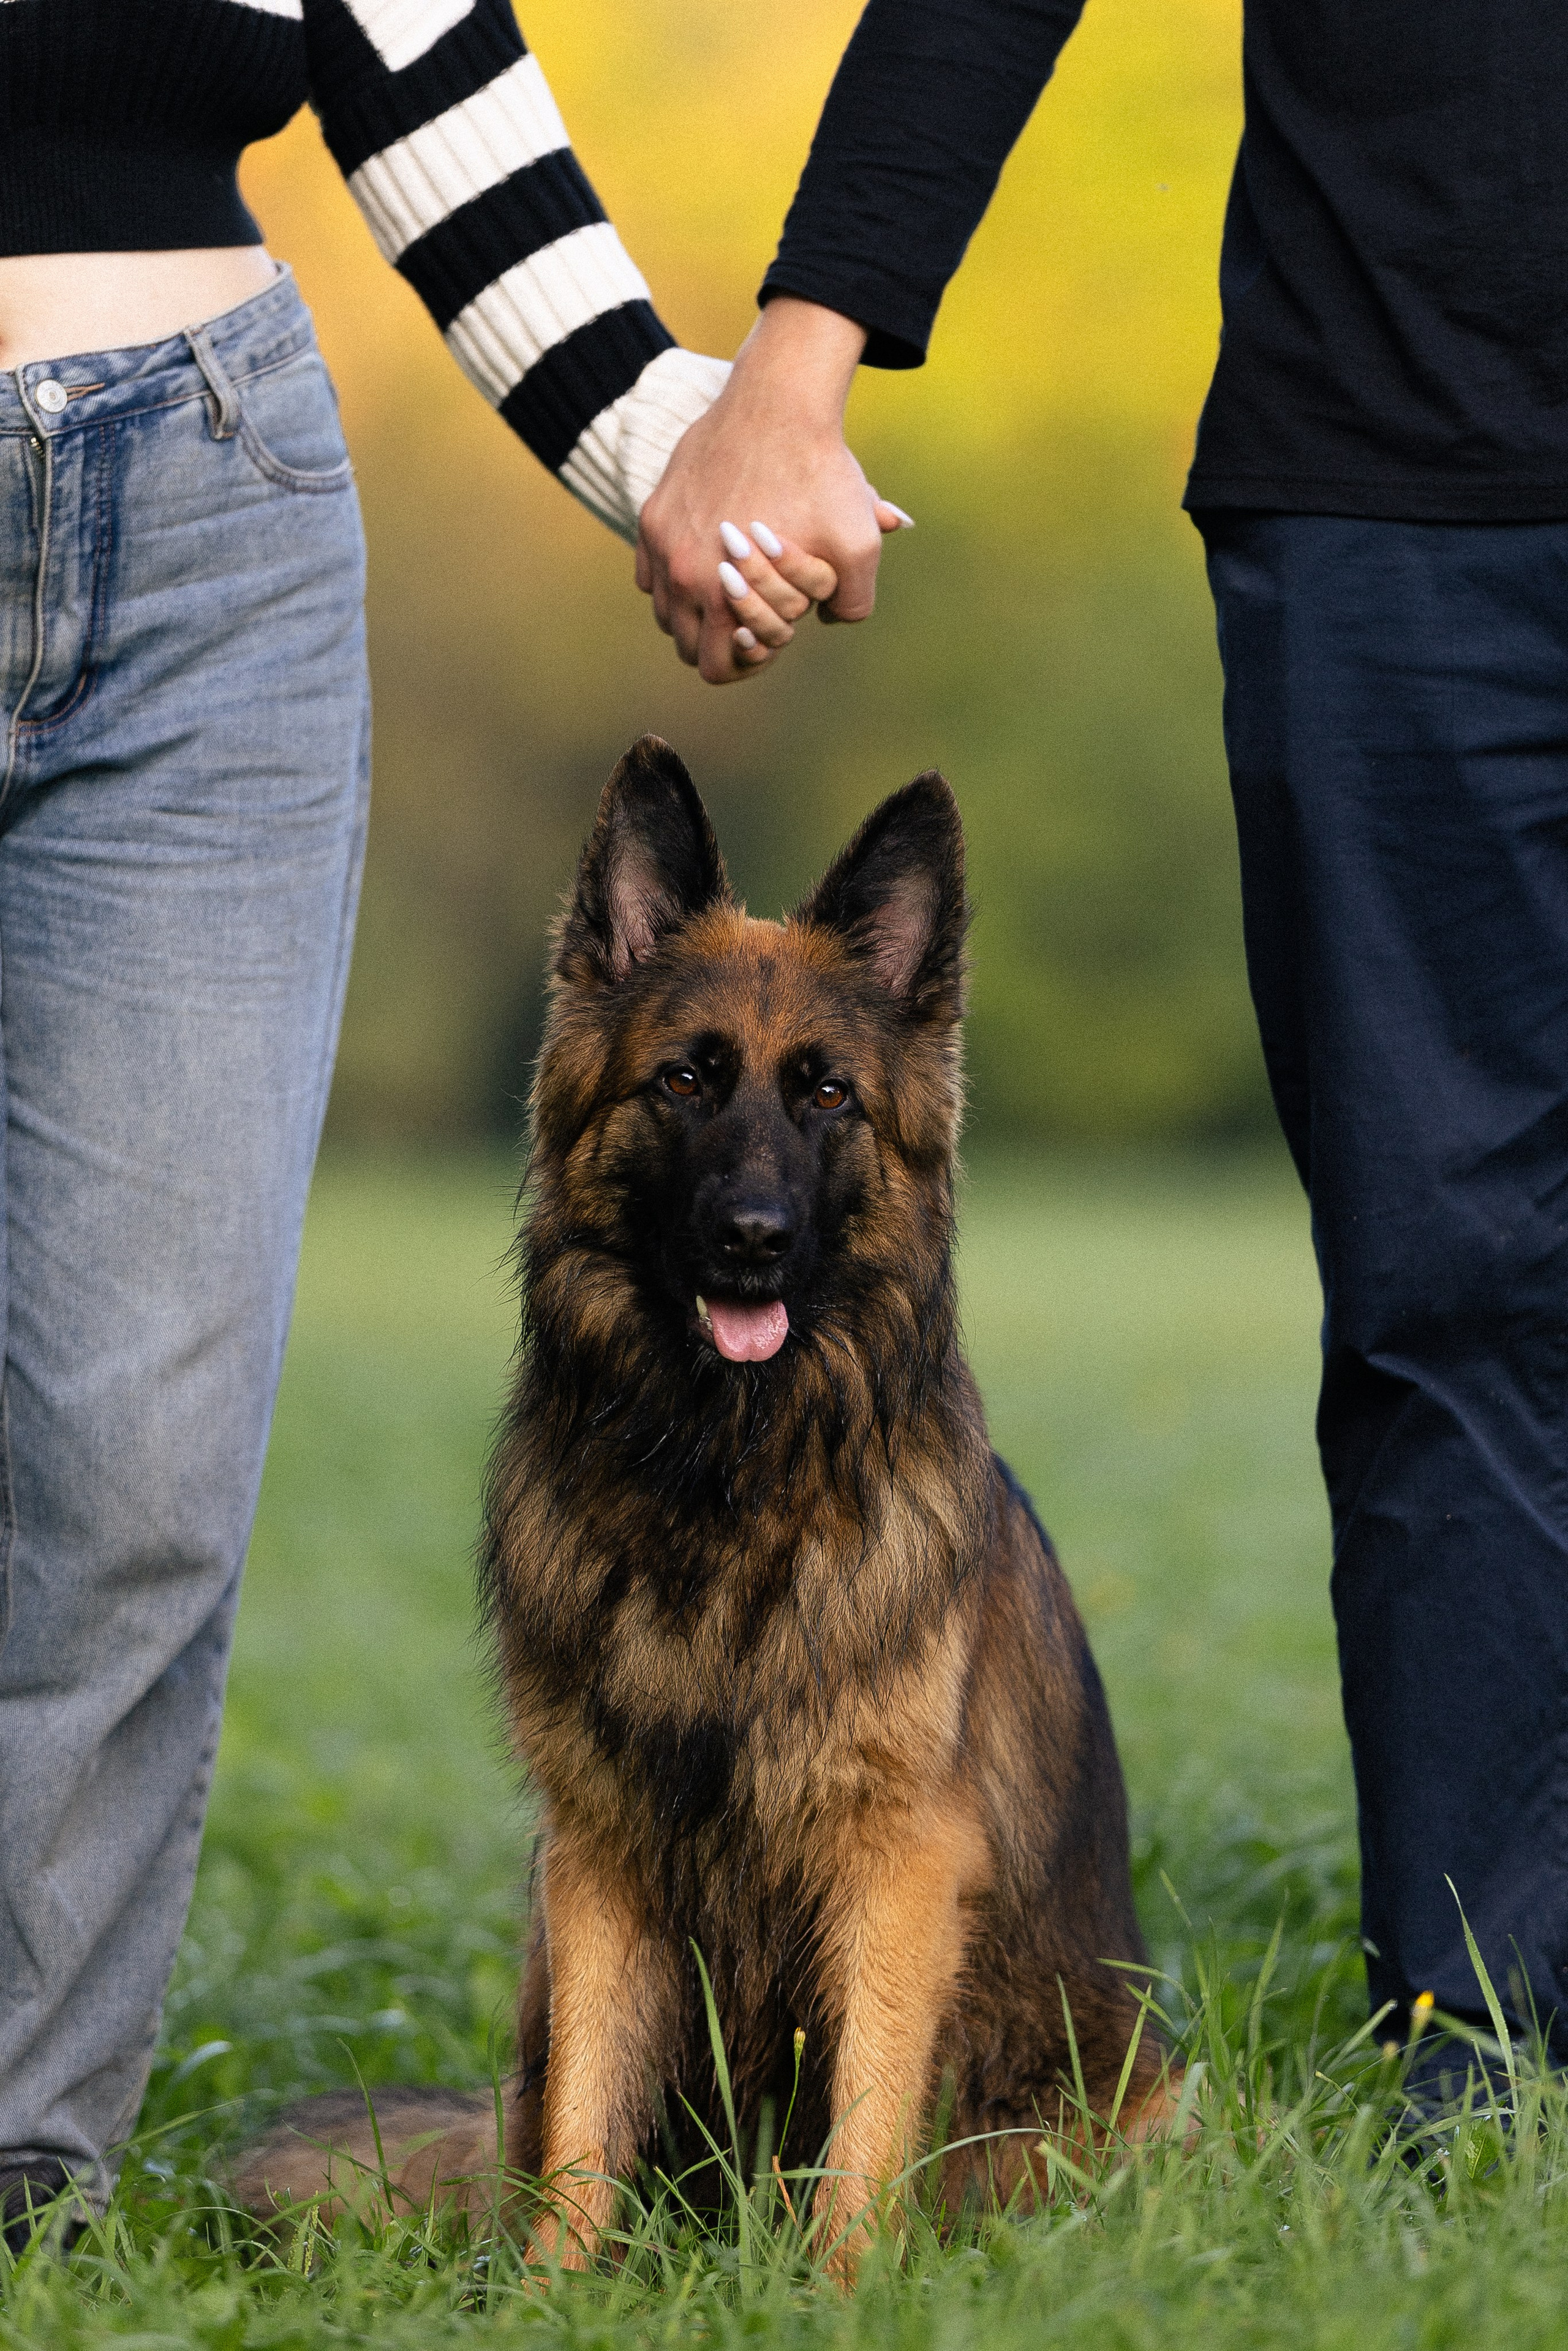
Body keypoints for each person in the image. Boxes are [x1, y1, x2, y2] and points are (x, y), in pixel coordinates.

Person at [0, 0, 897, 2243]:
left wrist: (703, 450)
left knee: (136, 1463)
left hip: (207, 521)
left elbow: (432, 88)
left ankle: (25, 2161)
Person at [644, 1, 1568, 2083]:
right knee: (1452, 1295)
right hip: (1399, 504)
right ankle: (1484, 2046)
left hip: (1392, 517)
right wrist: (797, 365)